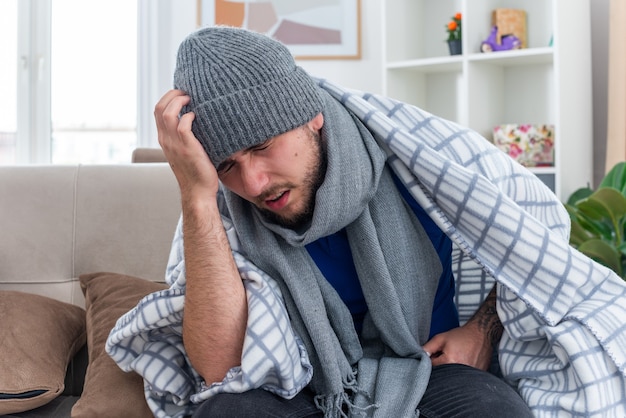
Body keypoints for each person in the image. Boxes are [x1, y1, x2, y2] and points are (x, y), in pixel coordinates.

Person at [106, 27, 626, 418]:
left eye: (263, 147)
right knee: (227, 410)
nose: (255, 181)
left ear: (312, 115)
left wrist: (482, 329)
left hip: (430, 369)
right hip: (300, 385)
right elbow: (218, 367)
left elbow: (536, 252)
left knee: (495, 409)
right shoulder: (221, 209)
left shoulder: (426, 159)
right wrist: (197, 195)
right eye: (227, 166)